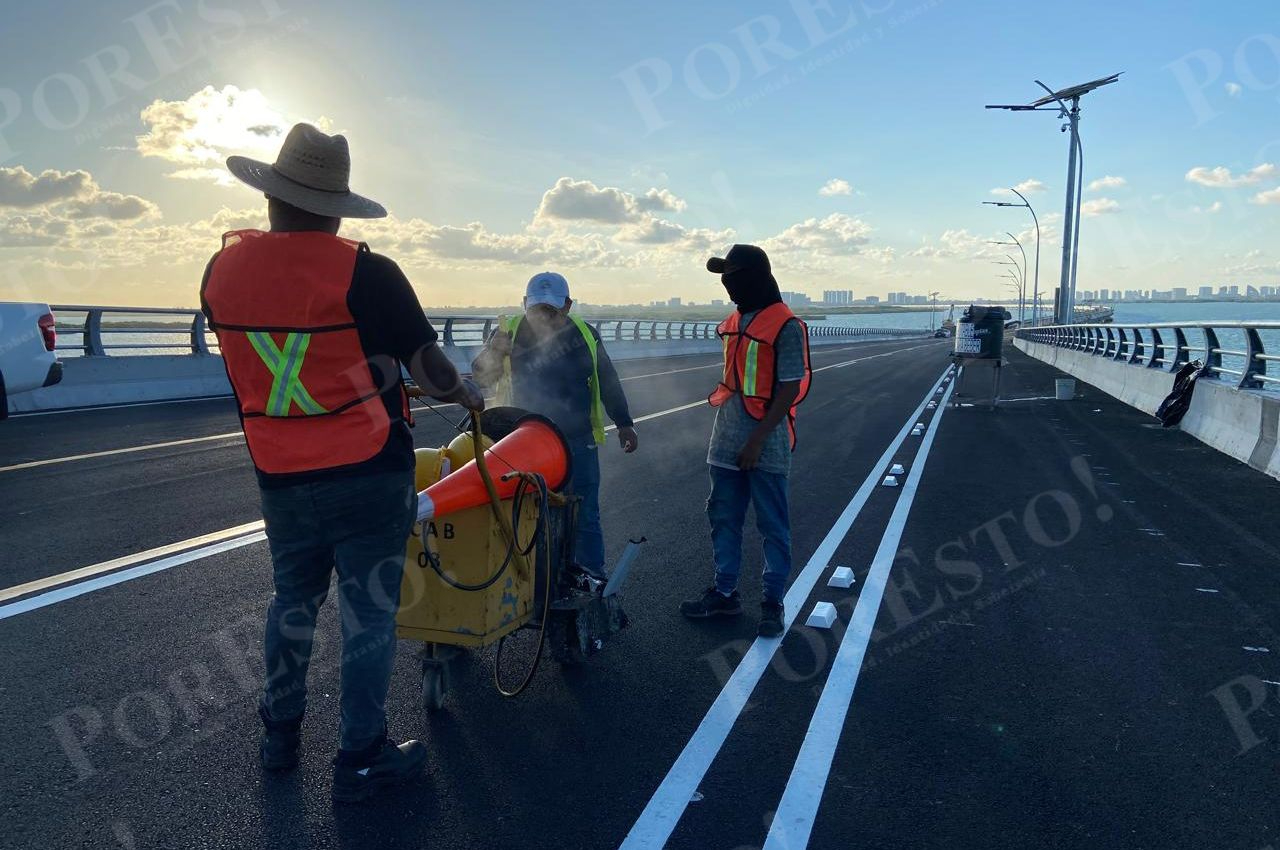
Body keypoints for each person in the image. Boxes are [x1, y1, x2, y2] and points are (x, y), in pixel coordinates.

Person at [199, 123, 485, 803]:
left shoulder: (221, 272)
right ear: (335, 210)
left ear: (270, 198)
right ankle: (360, 756)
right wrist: (462, 391)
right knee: (368, 617)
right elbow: (433, 370)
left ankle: (280, 735)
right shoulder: (370, 273)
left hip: (280, 476)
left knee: (293, 602)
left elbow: (280, 365)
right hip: (367, 475)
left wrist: (369, 371)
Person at [679, 244, 810, 638]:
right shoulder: (734, 320)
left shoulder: (785, 326)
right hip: (725, 439)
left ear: (753, 277)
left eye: (732, 276)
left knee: (772, 524)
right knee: (722, 517)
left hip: (765, 444)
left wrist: (756, 441)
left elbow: (788, 389)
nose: (727, 285)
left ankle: (772, 601)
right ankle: (724, 592)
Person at [471, 272, 638, 580]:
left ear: (568, 306)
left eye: (552, 310)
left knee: (584, 514)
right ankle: (534, 583)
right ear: (524, 304)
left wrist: (624, 423)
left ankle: (592, 579)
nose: (544, 317)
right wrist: (493, 352)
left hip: (576, 439)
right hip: (522, 443)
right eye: (537, 310)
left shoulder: (585, 335)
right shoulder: (506, 334)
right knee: (524, 512)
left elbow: (608, 379)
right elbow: (480, 379)